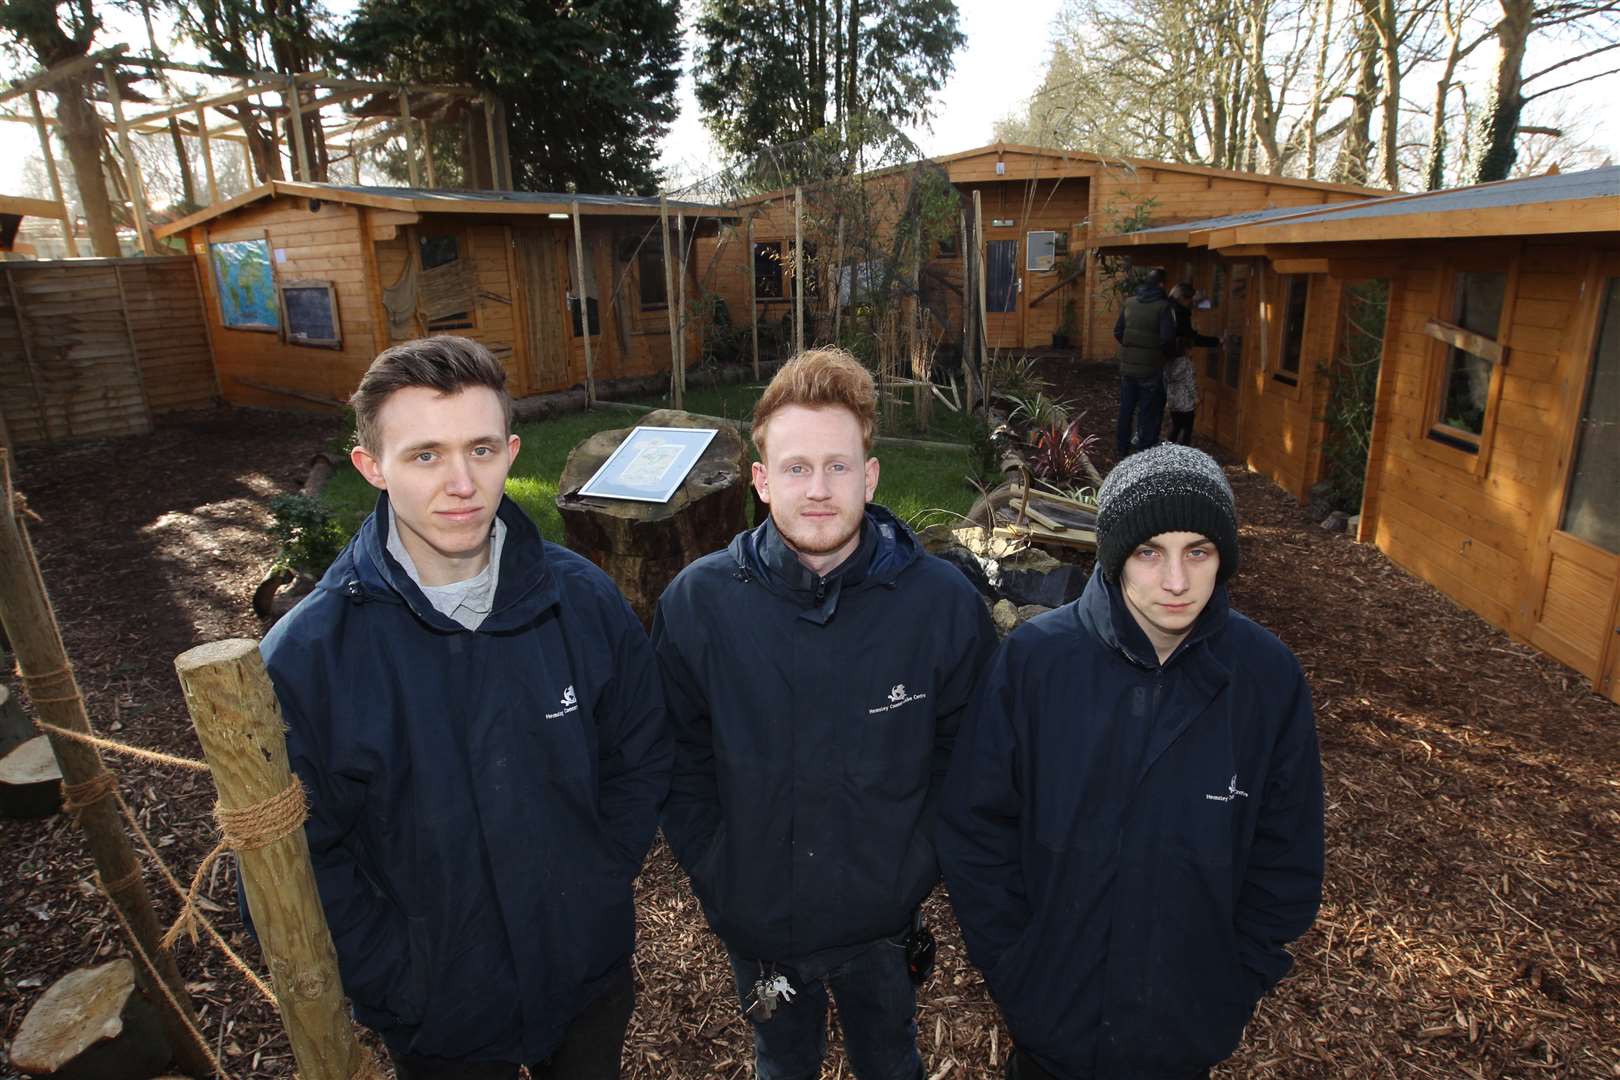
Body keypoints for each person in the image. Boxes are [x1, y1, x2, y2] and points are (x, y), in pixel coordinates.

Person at [256, 335, 671, 1080]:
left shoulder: (582, 603)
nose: (461, 483)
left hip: (586, 977)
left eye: (481, 449)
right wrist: (397, 974)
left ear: (512, 451)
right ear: (371, 468)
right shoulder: (309, 658)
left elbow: (640, 749)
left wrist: (598, 878)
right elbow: (298, 853)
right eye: (424, 456)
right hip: (438, 1015)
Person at [654, 348, 998, 1080]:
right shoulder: (698, 606)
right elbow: (676, 757)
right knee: (781, 1060)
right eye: (796, 468)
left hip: (884, 921)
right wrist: (723, 873)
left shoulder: (941, 608)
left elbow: (970, 756)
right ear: (761, 480)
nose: (818, 490)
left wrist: (914, 869)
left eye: (838, 467)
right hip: (759, 924)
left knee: (889, 1060)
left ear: (870, 476)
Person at [937, 443, 1324, 1080]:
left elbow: (1287, 858)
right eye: (1150, 552)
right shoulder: (1036, 663)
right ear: (1115, 556)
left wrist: (1233, 981)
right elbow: (976, 829)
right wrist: (1016, 965)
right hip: (1050, 1032)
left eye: (1197, 551)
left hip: (1181, 1038)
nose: (1176, 581)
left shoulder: (1266, 680)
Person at [1112, 268, 1178, 458]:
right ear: (1161, 285)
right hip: (1151, 369)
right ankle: (1144, 451)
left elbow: (1118, 331)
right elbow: (1167, 340)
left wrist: (1130, 349)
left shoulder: (1130, 303)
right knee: (1148, 411)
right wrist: (1168, 356)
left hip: (1128, 368)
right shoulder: (1163, 307)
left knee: (1126, 408)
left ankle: (1121, 447)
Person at [1165, 282, 1223, 445]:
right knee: (1186, 428)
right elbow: (1190, 383)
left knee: (1175, 426)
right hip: (1187, 404)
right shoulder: (1186, 365)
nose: (1192, 305)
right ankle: (1183, 454)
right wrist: (1196, 398)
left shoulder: (1170, 364)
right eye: (1191, 301)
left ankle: (1166, 451)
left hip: (1174, 402)